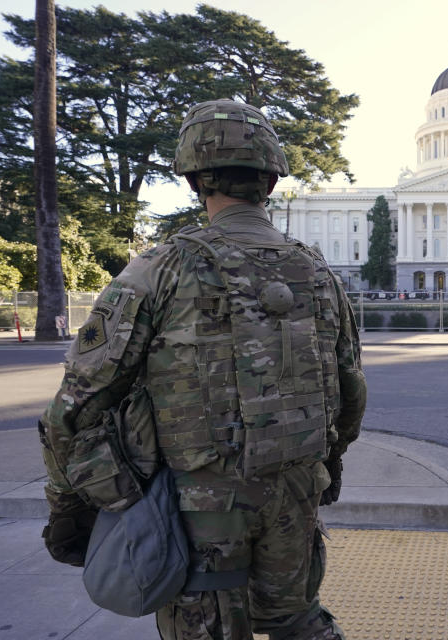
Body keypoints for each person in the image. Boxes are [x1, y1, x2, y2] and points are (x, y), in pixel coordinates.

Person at [38, 99, 366, 640]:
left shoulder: (162, 267)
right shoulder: (319, 272)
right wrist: (324, 471)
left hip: (200, 506)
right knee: (296, 619)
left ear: (195, 178)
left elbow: (73, 408)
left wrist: (72, 509)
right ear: (270, 179)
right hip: (295, 492)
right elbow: (350, 393)